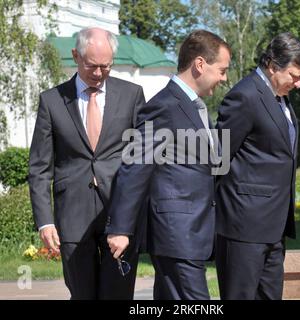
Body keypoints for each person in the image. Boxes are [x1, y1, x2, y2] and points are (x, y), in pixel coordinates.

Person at [106, 30, 231, 300]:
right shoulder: (164, 106)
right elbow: (135, 166)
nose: (224, 78)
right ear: (200, 64)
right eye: (222, 70)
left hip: (191, 232)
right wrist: (120, 228)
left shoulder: (196, 107)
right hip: (177, 233)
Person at [28, 27, 145, 299]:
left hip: (120, 215)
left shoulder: (132, 95)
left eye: (106, 66)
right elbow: (39, 168)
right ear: (75, 56)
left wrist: (133, 217)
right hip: (73, 216)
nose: (99, 73)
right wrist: (45, 222)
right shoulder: (51, 101)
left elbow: (142, 160)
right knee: (82, 294)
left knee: (118, 294)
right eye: (92, 65)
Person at [215, 32, 300, 300]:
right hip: (243, 228)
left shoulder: (281, 97)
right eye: (294, 75)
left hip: (274, 227)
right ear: (272, 65)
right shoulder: (244, 96)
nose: (299, 84)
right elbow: (218, 159)